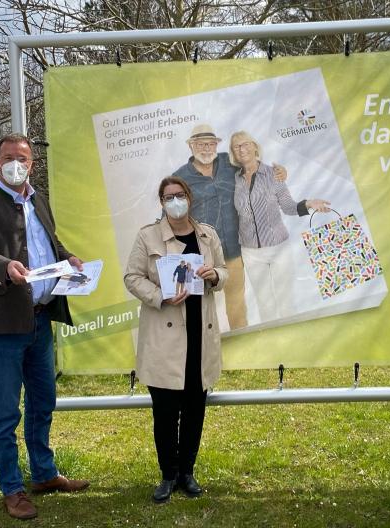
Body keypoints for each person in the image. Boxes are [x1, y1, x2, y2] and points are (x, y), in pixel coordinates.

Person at [0, 133, 89, 520]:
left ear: (32, 163)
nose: (16, 163)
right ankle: (12, 488)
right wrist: (4, 267)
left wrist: (69, 259)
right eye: (9, 157)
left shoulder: (39, 199)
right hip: (2, 326)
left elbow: (50, 244)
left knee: (43, 402)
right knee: (5, 412)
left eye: (23, 158)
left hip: (40, 319)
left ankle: (45, 475)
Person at [124, 176, 228, 503]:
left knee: (195, 411)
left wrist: (214, 276)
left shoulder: (207, 234)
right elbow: (132, 277)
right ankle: (168, 475)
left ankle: (187, 472)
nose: (175, 201)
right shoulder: (148, 236)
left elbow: (223, 271)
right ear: (162, 202)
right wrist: (159, 296)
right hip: (165, 339)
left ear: (189, 197)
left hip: (200, 333)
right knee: (166, 414)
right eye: (169, 197)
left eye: (180, 195)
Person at [173, 124, 287, 331]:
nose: (207, 149)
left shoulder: (229, 163)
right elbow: (170, 214)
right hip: (203, 256)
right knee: (201, 307)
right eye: (200, 144)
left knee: (236, 304)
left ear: (217, 145)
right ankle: (206, 348)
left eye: (211, 144)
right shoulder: (180, 178)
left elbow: (253, 168)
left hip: (234, 251)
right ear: (191, 147)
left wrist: (278, 171)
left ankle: (242, 342)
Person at [229, 130, 331, 322]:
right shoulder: (235, 178)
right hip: (250, 253)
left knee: (286, 303)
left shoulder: (273, 174)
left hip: (278, 248)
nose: (242, 149)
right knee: (264, 304)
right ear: (233, 153)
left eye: (245, 144)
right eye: (236, 146)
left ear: (255, 146)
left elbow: (289, 207)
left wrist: (309, 203)